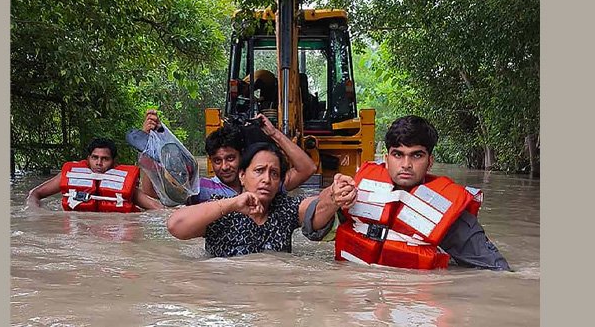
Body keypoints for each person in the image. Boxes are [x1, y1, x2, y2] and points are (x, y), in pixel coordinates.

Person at [333, 115, 511, 270]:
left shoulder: (451, 216)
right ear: (386, 159)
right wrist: (332, 198)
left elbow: (495, 269)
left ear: (430, 161)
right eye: (398, 154)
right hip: (359, 297)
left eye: (416, 155)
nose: (406, 164)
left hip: (414, 302)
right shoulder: (352, 191)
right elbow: (312, 227)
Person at [166, 142, 357, 257]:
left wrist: (334, 195)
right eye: (259, 171)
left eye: (274, 173)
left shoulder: (285, 208)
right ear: (242, 175)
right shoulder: (221, 209)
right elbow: (175, 225)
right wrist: (232, 203)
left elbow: (315, 207)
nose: (267, 179)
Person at [140, 109, 317, 204]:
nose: (224, 167)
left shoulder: (263, 184)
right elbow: (151, 192)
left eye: (230, 159)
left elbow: (307, 169)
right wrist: (148, 144)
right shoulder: (201, 189)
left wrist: (274, 134)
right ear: (210, 161)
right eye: (217, 161)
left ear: (242, 155)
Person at [26, 138, 165, 212]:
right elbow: (35, 193)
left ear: (113, 162)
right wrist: (34, 212)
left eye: (105, 159)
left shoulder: (123, 185)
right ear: (88, 159)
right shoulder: (71, 176)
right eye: (95, 157)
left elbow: (156, 208)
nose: (99, 163)